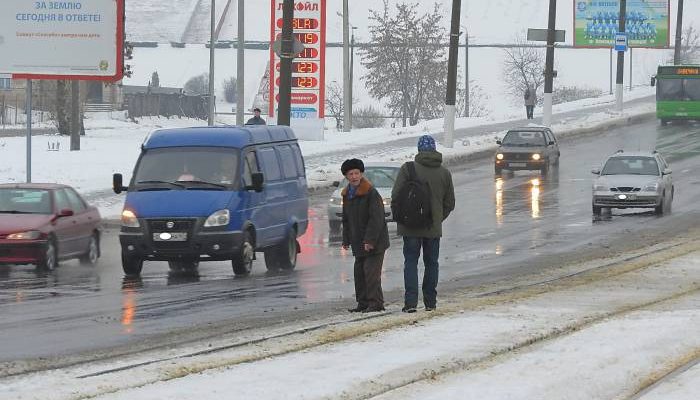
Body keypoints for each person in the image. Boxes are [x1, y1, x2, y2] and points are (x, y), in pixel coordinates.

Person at [392, 135, 455, 313]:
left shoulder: (408, 168)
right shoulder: (444, 173)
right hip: (432, 229)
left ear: (419, 150)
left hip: (409, 227)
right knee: (431, 263)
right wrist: (436, 219)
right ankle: (430, 302)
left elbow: (396, 195)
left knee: (410, 262)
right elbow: (450, 203)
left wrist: (407, 216)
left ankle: (411, 303)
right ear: (434, 149)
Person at [341, 158, 390, 313]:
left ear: (361, 174)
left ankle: (375, 303)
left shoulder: (370, 192)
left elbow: (377, 219)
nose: (354, 176)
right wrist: (346, 239)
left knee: (371, 273)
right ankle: (362, 303)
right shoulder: (347, 194)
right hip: (357, 241)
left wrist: (370, 240)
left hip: (374, 242)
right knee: (359, 273)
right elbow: (346, 219)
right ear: (346, 176)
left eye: (357, 173)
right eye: (351, 174)